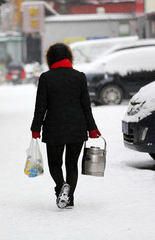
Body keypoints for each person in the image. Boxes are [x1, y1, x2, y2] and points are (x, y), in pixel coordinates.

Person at [30, 42, 101, 209]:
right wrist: (92, 128)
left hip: (54, 127)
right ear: (69, 57)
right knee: (72, 165)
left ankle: (61, 187)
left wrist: (35, 128)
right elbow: (86, 106)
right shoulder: (79, 76)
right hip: (77, 126)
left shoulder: (46, 78)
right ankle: (69, 199)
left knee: (55, 163)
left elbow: (41, 106)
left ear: (50, 59)